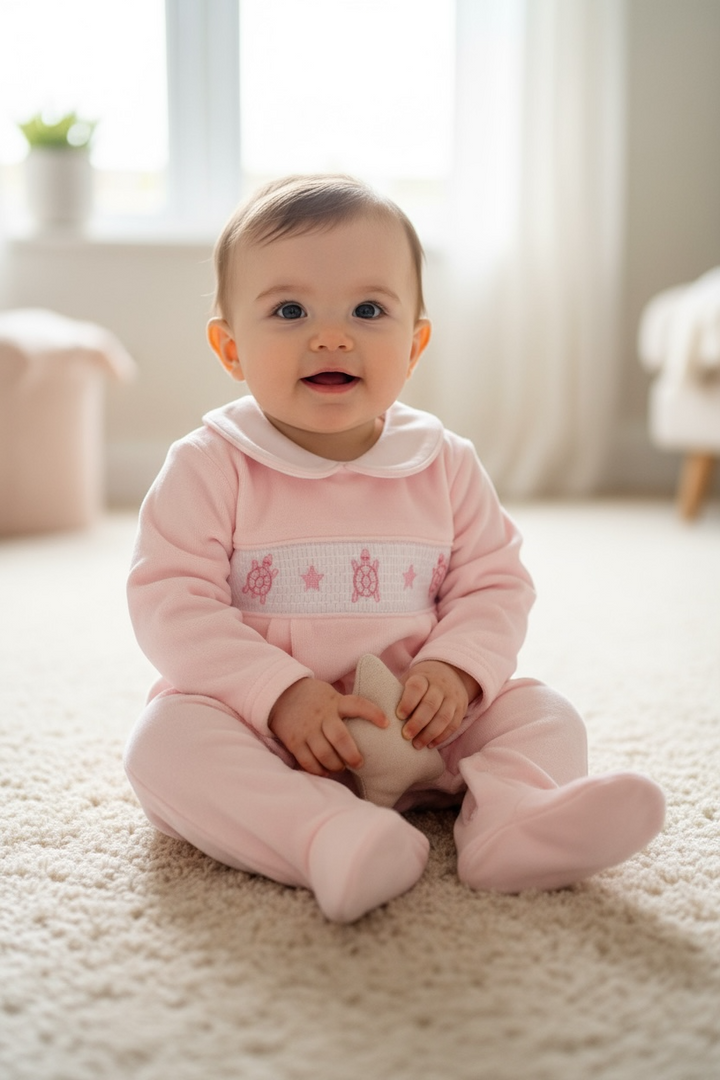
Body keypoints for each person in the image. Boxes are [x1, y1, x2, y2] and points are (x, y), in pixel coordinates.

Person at [123, 174, 665, 923]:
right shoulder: (211, 462)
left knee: (545, 713)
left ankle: (513, 821)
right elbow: (170, 601)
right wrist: (276, 693)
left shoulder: (442, 460)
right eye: (289, 310)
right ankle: (324, 835)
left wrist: (457, 670)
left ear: (414, 344)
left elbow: (494, 585)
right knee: (164, 745)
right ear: (229, 347)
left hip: (428, 724)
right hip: (273, 735)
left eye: (368, 310)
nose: (332, 335)